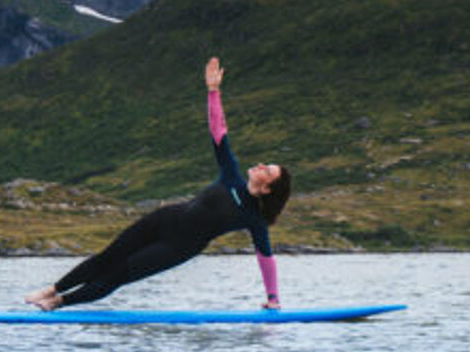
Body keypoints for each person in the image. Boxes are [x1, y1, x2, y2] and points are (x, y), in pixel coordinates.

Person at [25, 57, 292, 311]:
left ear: (268, 188)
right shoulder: (231, 174)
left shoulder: (254, 218)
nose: (259, 165)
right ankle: (52, 290)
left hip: (176, 248)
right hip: (164, 219)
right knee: (106, 258)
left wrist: (273, 298)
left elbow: (265, 258)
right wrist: (213, 91)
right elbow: (218, 131)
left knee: (116, 275)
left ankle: (59, 303)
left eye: (266, 170)